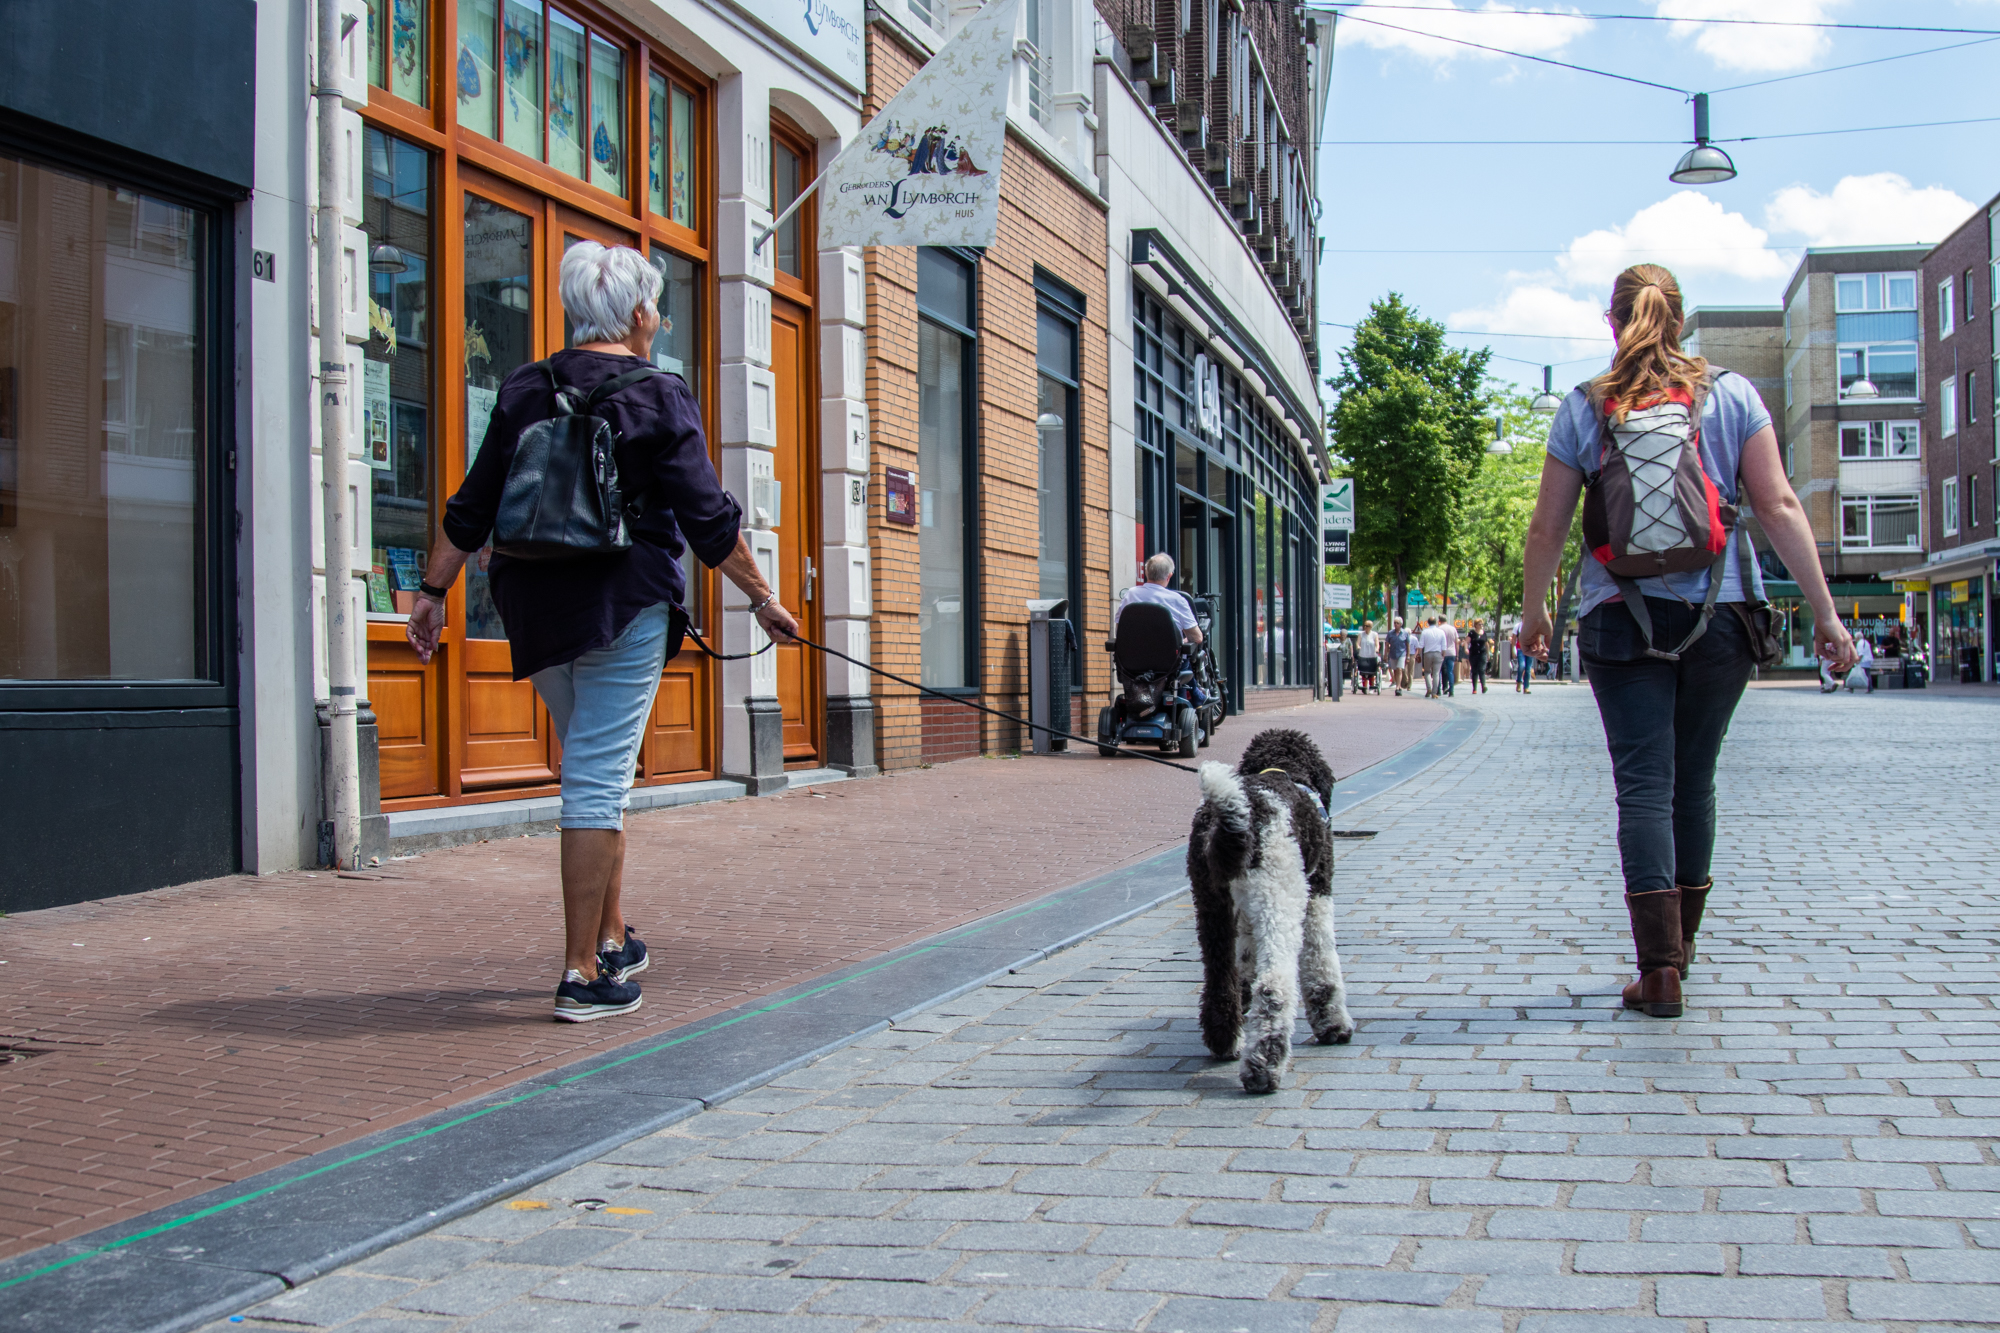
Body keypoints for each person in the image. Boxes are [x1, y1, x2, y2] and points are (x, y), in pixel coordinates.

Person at [406, 242, 801, 1024]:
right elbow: (707, 518)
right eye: (655, 305)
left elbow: (473, 500)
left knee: (596, 768)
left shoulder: (527, 386)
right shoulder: (658, 393)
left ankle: (613, 936)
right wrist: (763, 598)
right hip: (623, 606)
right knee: (596, 781)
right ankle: (582, 974)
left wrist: (430, 591)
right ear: (638, 313)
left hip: (534, 609)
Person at [1519, 262, 1856, 1019]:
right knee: (1693, 778)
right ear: (1681, 322)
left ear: (1614, 323)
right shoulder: (1733, 394)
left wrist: (1534, 612)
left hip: (1619, 614)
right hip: (1724, 615)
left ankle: (1658, 969)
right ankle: (1684, 951)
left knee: (1643, 782)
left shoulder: (1585, 406)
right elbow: (1775, 503)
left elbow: (1549, 525)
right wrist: (1827, 616)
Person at [1418, 616, 1446, 697]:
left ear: (1428, 623)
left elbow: (1421, 645)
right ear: (1437, 622)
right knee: (1436, 673)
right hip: (1438, 653)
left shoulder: (1425, 632)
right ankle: (1434, 693)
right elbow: (1444, 645)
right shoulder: (1441, 632)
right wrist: (1443, 654)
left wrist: (1419, 654)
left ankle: (1429, 688)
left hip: (1428, 653)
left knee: (1427, 672)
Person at [1385, 617, 1410, 696]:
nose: (1395, 624)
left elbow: (1408, 645)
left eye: (1397, 623)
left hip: (1402, 653)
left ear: (1401, 624)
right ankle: (1397, 684)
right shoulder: (1390, 633)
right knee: (1395, 670)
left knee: (1399, 669)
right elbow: (1386, 644)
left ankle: (1398, 687)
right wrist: (1385, 654)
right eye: (1395, 623)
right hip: (1393, 653)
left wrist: (1408, 656)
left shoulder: (1405, 633)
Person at [1467, 618, 1490, 694]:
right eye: (1479, 624)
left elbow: (1486, 644)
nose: (1481, 625)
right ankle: (1475, 688)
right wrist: (1466, 649)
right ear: (1475, 625)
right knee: (1474, 671)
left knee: (1481, 669)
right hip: (1473, 654)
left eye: (1482, 624)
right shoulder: (1472, 633)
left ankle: (1483, 686)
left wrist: (1488, 653)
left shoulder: (1484, 633)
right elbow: (1467, 641)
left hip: (1482, 654)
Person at [1439, 617, 1459, 697]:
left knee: (1439, 671)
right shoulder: (1453, 629)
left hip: (1442, 653)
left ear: (1439, 620)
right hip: (1451, 652)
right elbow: (1456, 642)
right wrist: (1457, 654)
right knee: (1450, 672)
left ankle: (1438, 689)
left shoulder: (1439, 629)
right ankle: (1451, 690)